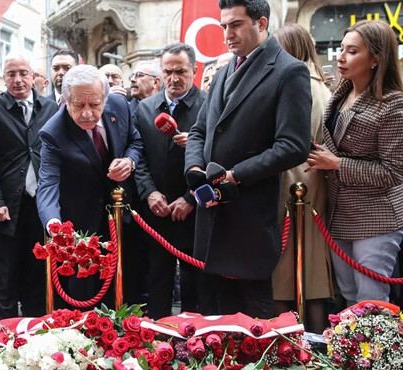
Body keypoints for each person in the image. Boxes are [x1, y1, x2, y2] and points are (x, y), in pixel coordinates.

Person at [185, 0, 311, 318]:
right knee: (218, 321)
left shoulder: (289, 71)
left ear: (261, 23)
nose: (227, 34)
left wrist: (235, 175)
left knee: (256, 325)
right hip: (212, 218)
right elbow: (199, 130)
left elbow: (293, 146)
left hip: (251, 218)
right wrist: (195, 168)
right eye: (224, 25)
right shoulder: (226, 69)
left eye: (236, 25)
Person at [306, 20, 403, 306]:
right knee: (348, 297)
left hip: (376, 218)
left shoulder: (393, 105)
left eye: (352, 51)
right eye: (341, 49)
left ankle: (378, 353)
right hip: (339, 214)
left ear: (376, 59)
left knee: (371, 302)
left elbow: (393, 172)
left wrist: (336, 163)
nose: (341, 57)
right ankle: (349, 352)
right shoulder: (340, 94)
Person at [37, 65, 143, 309]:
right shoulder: (53, 133)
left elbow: (135, 141)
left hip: (121, 216)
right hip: (80, 225)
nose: (87, 113)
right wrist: (54, 224)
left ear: (105, 99)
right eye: (78, 105)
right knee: (82, 296)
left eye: (95, 104)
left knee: (126, 291)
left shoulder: (120, 107)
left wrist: (129, 161)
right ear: (65, 100)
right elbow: (47, 183)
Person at [0, 53, 58, 318]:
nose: (18, 79)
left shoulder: (50, 108)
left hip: (41, 204)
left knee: (38, 272)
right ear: (3, 78)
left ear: (34, 77)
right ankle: (6, 336)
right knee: (6, 275)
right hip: (6, 206)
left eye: (23, 73)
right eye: (11, 74)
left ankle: (35, 331)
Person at [134, 43, 205, 319]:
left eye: (181, 71)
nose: (174, 78)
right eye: (168, 72)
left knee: (194, 286)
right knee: (158, 284)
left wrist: (191, 198)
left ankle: (195, 346)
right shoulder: (145, 109)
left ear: (194, 71)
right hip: (156, 213)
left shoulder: (209, 106)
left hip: (195, 213)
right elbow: (137, 157)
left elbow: (221, 160)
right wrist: (150, 193)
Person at [271, 23, 333, 333]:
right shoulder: (322, 86)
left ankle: (292, 348)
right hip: (314, 188)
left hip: (292, 187)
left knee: (285, 277)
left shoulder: (298, 84)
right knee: (312, 276)